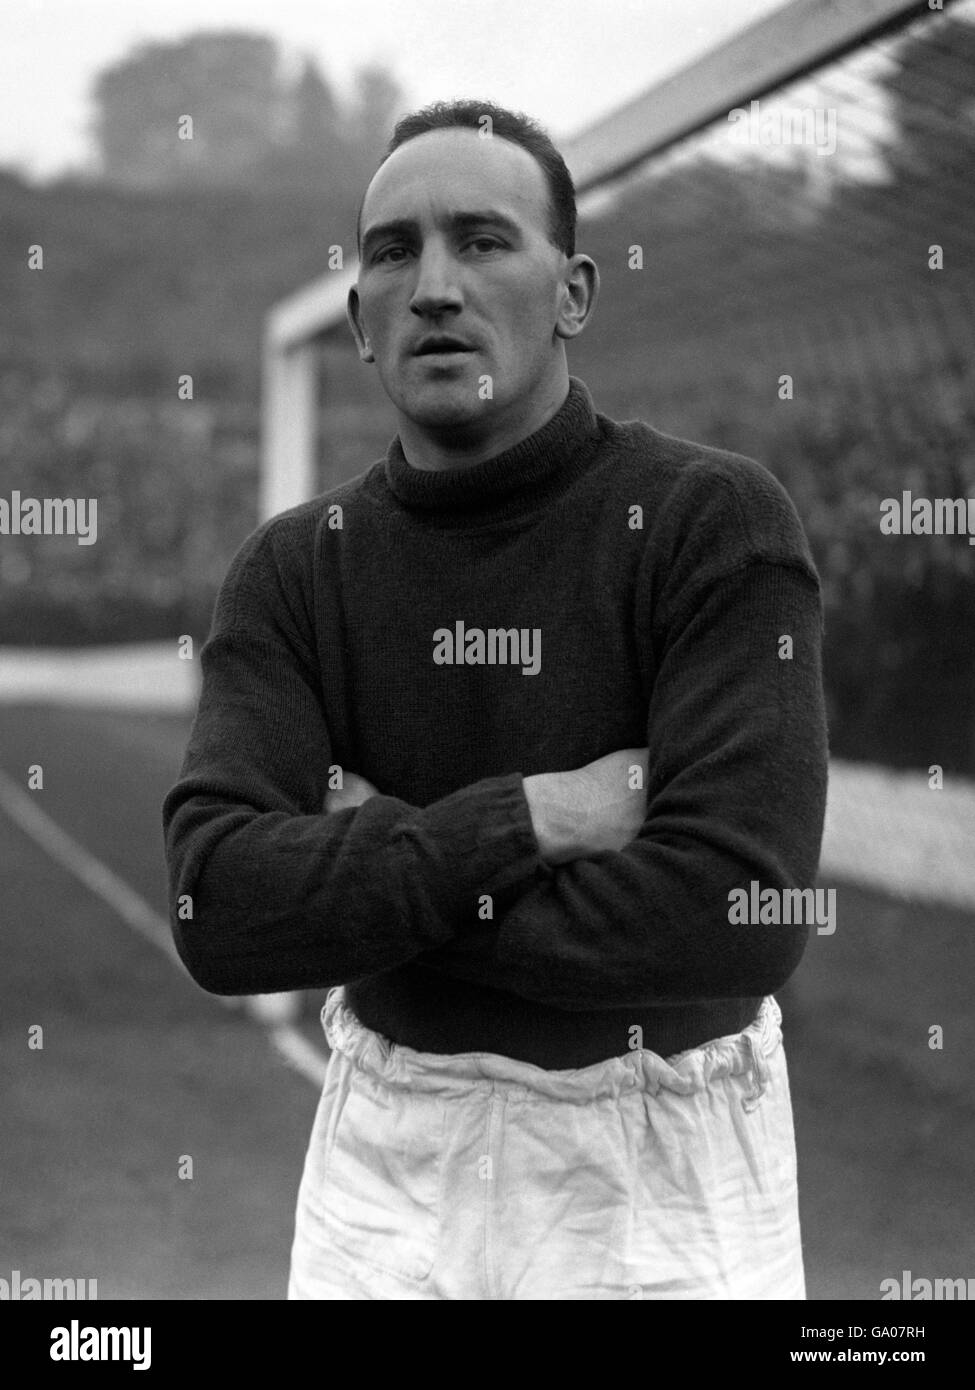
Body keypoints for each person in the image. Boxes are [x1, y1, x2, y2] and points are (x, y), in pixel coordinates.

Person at [162, 98, 828, 1301]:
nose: (432, 285)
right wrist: (531, 820)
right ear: (359, 319)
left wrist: (379, 856)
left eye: (481, 240)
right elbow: (222, 905)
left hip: (658, 1168)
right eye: (393, 251)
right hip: (388, 1158)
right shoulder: (295, 568)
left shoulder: (709, 523)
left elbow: (737, 910)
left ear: (573, 291)